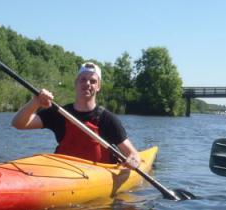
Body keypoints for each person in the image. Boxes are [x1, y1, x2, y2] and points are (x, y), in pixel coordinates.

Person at [11, 62, 141, 168]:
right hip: (63, 171)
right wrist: (36, 102)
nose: (87, 84)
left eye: (93, 81)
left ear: (98, 87)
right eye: (83, 79)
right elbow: (18, 123)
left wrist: (133, 161)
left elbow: (133, 154)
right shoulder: (59, 113)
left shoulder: (108, 119)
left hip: (97, 175)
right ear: (76, 83)